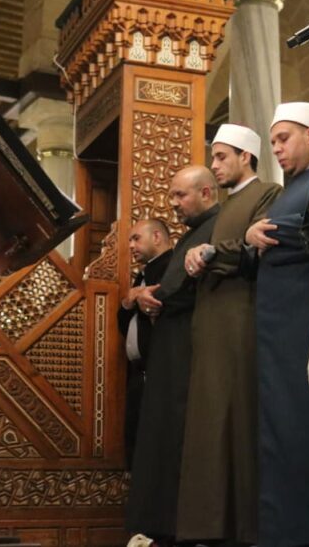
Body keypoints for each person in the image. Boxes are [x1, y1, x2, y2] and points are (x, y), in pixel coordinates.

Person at [176, 124, 281, 544]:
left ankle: (242, 528)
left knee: (235, 421)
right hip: (211, 323)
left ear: (246, 157)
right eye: (214, 157)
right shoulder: (225, 207)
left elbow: (257, 251)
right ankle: (209, 527)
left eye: (222, 157)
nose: (215, 165)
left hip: (240, 321)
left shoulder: (267, 193)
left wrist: (211, 253)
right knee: (209, 425)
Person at [248, 102, 309, 547]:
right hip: (277, 327)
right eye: (273, 141)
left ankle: (306, 533)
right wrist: (251, 237)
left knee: (301, 426)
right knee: (278, 431)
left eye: (284, 138)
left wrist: (261, 235)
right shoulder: (291, 188)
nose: (277, 149)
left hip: (303, 320)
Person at [126, 166, 220, 542]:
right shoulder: (191, 235)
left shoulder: (216, 226)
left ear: (206, 193)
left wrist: (156, 299)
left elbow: (187, 288)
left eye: (180, 195)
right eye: (172, 196)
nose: (174, 203)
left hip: (187, 348)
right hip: (168, 349)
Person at [117, 218, 173, 470]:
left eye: (136, 238)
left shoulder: (170, 267)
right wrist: (129, 301)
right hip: (138, 373)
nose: (130, 245)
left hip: (161, 373)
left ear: (157, 237)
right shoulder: (143, 273)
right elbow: (124, 324)